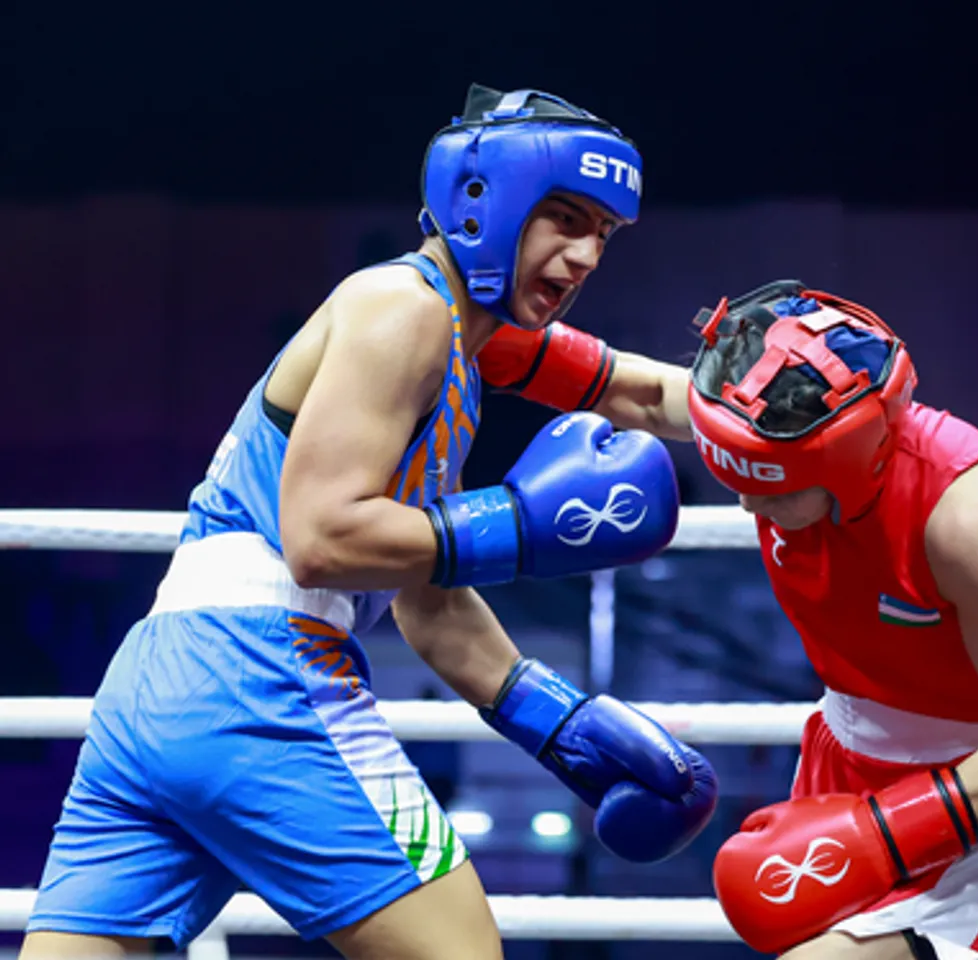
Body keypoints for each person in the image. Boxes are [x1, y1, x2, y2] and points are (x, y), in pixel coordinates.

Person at [20, 84, 717, 960]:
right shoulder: (404, 310)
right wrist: (519, 525)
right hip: (266, 677)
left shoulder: (455, 349)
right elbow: (322, 540)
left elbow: (431, 595)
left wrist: (559, 724)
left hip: (158, 691)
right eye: (564, 219)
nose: (582, 257)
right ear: (484, 199)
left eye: (603, 235)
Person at [478, 281, 978, 960]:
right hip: (843, 752)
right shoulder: (770, 430)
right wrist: (467, 333)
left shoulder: (970, 516)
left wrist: (883, 834)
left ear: (843, 462)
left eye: (770, 485)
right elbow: (639, 391)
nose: (745, 504)